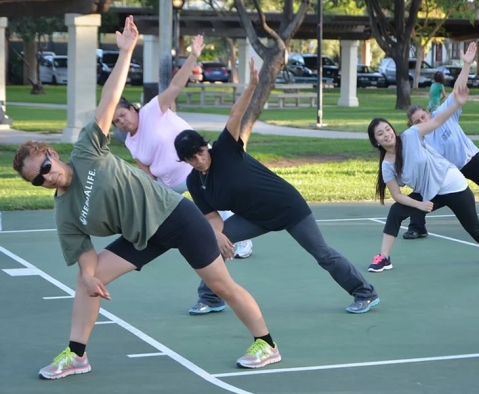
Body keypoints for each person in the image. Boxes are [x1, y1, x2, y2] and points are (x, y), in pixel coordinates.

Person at [12, 17, 281, 379]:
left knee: (221, 286)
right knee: (86, 282)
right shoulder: (64, 211)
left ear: (51, 154)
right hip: (143, 237)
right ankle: (77, 355)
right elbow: (84, 255)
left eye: (45, 166)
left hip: (175, 216)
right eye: (37, 179)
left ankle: (266, 343)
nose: (47, 176)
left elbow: (109, 100)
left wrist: (125, 52)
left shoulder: (87, 150)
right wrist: (90, 278)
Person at [174, 57, 380, 315]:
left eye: (200, 153)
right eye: (191, 159)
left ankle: (365, 292)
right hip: (254, 217)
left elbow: (236, 114)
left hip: (286, 206)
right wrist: (218, 234)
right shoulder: (196, 181)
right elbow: (212, 217)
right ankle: (211, 298)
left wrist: (251, 86)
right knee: (212, 243)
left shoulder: (226, 150)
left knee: (322, 253)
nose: (199, 160)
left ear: (206, 147)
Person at [112, 35, 253, 271]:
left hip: (196, 170)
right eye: (116, 121)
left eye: (123, 115)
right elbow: (146, 170)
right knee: (154, 211)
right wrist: (153, 194)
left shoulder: (153, 110)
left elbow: (176, 85)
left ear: (131, 109)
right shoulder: (130, 142)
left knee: (219, 208)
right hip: (170, 184)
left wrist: (194, 56)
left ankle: (242, 241)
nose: (121, 122)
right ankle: (147, 244)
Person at [366, 85, 479, 274]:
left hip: (453, 185)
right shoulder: (387, 165)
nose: (387, 134)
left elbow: (438, 120)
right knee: (396, 211)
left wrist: (457, 104)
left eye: (387, 129)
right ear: (376, 142)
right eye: (380, 134)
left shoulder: (411, 135)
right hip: (429, 193)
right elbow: (397, 195)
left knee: (473, 227)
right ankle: (384, 257)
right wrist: (419, 206)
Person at [402, 42, 479, 240]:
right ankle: (417, 227)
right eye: (417, 121)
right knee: (422, 192)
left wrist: (466, 65)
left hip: (471, 160)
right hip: (448, 173)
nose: (423, 121)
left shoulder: (443, 114)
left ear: (429, 113)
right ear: (412, 125)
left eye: (423, 116)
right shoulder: (419, 138)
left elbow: (458, 90)